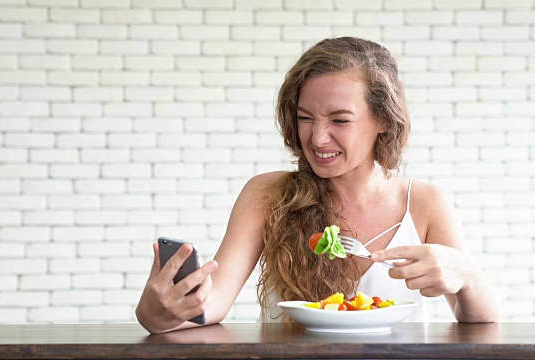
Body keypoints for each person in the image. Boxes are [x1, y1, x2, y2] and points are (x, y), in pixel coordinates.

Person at [135, 37, 499, 334]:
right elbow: (210, 306)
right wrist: (156, 313)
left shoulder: (423, 202)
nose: (318, 138)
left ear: (383, 120)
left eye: (340, 120)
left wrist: (464, 275)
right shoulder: (266, 195)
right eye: (305, 118)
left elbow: (483, 321)